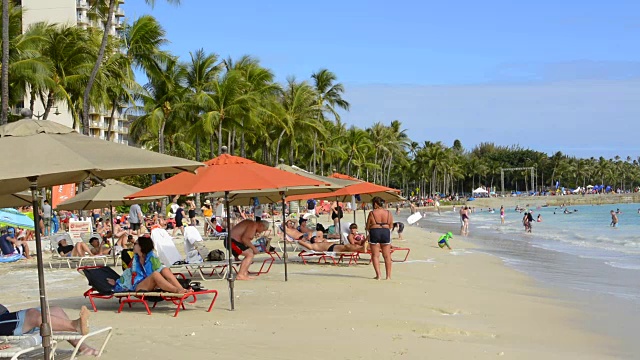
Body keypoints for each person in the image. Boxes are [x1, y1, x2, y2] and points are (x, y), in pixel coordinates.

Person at [0, 304, 98, 356]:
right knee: (32, 315)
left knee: (55, 310)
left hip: (4, 316)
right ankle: (74, 325)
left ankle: (82, 347)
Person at [106, 235, 187, 294]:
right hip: (138, 286)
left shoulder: (152, 258)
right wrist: (117, 282)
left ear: (141, 246)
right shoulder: (135, 260)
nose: (134, 245)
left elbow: (160, 270)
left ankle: (181, 288)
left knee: (165, 269)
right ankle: (176, 290)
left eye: (136, 244)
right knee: (155, 274)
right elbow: (128, 274)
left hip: (152, 283)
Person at [365, 196, 393, 280]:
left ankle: (378, 275)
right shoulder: (388, 213)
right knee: (387, 255)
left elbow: (367, 226)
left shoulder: (372, 213)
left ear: (376, 204)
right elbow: (391, 225)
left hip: (375, 231)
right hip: (385, 231)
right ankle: (388, 276)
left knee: (375, 255)